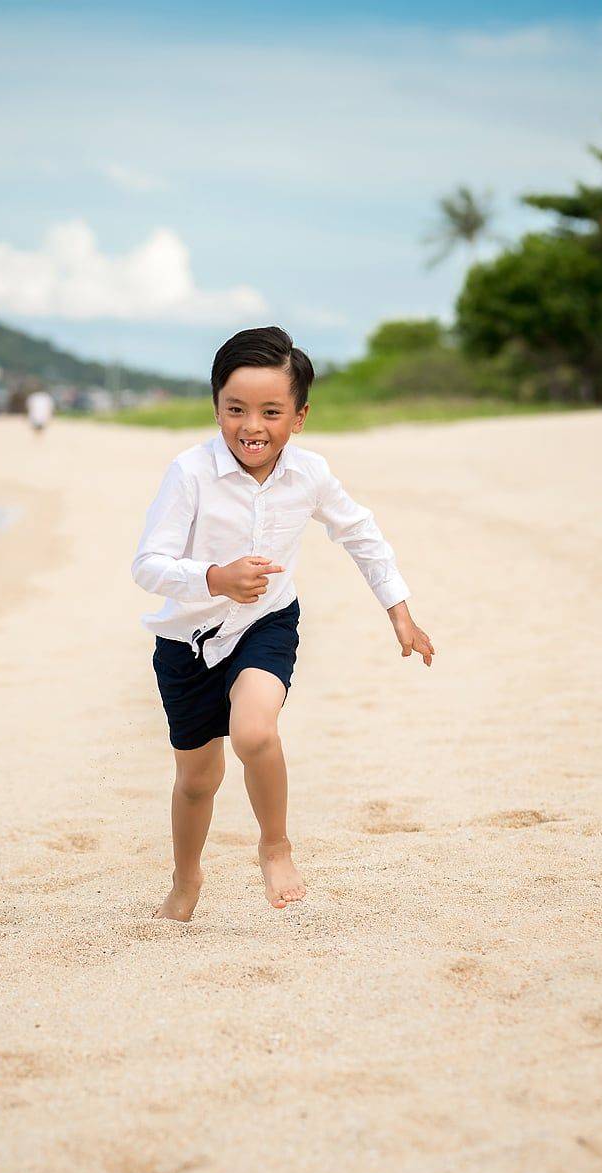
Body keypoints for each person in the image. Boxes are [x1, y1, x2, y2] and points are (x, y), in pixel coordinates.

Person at [131, 325, 434, 921]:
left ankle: (275, 846)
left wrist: (399, 611)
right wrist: (216, 577)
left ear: (299, 417)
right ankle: (186, 879)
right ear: (215, 407)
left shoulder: (310, 473)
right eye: (235, 409)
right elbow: (148, 564)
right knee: (197, 780)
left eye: (271, 412)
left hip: (265, 623)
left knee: (254, 733)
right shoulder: (189, 473)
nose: (252, 427)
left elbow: (360, 533)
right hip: (186, 642)